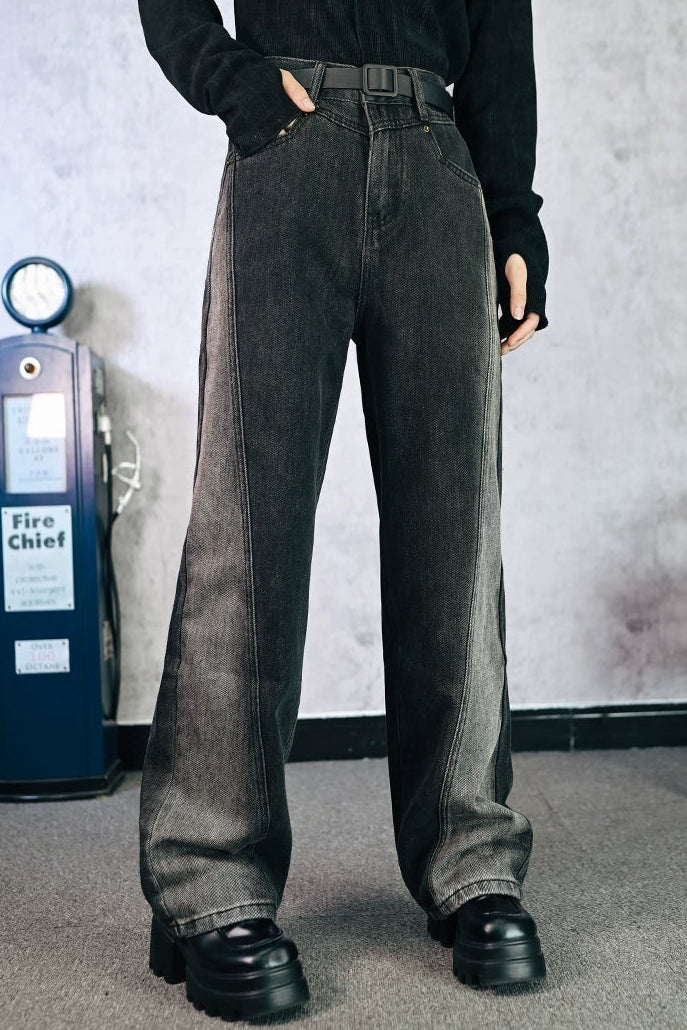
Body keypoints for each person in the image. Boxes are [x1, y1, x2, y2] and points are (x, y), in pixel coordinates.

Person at [136, 0, 550, 1019]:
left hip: (438, 158)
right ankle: (210, 881)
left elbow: (501, 23)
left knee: (455, 534)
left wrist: (515, 211)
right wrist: (233, 82)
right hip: (290, 145)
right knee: (248, 527)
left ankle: (470, 860)